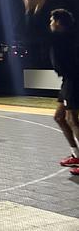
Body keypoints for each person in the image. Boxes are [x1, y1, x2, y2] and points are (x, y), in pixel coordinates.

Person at [46, 9, 79, 174]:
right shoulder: (63, 37)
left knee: (72, 119)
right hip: (68, 80)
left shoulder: (64, 37)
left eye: (52, 21)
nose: (50, 24)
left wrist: (31, 11)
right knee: (59, 117)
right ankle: (76, 154)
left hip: (74, 80)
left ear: (59, 23)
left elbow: (29, 33)